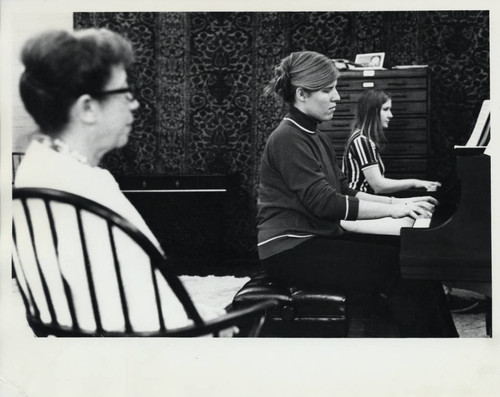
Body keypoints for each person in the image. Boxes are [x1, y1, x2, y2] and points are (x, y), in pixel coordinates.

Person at [14, 28, 220, 333]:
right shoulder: (88, 188)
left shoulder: (37, 169)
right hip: (131, 357)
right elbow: (143, 315)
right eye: (124, 92)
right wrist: (209, 323)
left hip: (74, 345)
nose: (134, 104)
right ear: (87, 108)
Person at [257, 51, 458, 337]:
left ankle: (444, 347)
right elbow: (326, 204)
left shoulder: (316, 136)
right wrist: (393, 210)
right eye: (328, 90)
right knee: (402, 270)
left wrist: (398, 202)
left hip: (314, 239)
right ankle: (432, 355)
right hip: (289, 250)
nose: (337, 97)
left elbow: (344, 190)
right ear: (301, 94)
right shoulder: (287, 137)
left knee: (412, 256)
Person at [343, 89, 441, 194]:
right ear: (372, 112)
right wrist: (415, 182)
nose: (391, 115)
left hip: (366, 200)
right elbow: (378, 186)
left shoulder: (362, 138)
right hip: (359, 202)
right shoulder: (361, 140)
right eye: (386, 109)